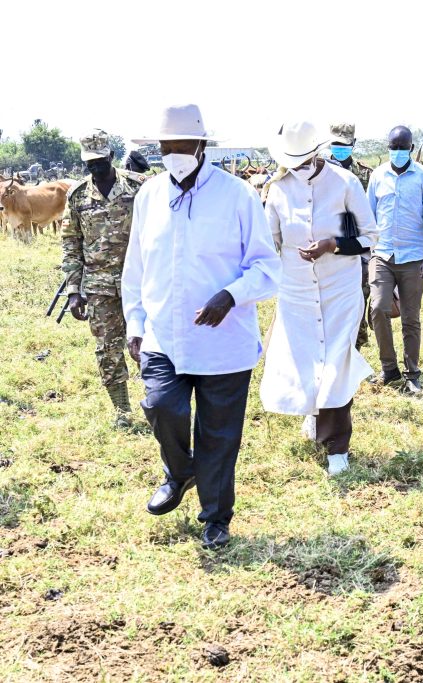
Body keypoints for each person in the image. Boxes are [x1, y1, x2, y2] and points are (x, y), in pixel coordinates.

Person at [122, 104, 280, 550]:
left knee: (218, 434)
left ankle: (216, 516)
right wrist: (135, 322)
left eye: (181, 146)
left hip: (222, 342)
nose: (172, 154)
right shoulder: (149, 196)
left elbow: (268, 267)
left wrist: (230, 295)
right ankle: (180, 470)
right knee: (160, 406)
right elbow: (135, 268)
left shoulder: (238, 196)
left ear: (201, 146)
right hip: (163, 336)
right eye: (164, 147)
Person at [260, 121, 378, 476]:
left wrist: (333, 245)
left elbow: (369, 236)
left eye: (304, 160)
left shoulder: (344, 184)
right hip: (296, 291)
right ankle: (314, 415)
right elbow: (269, 243)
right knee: (307, 361)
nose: (299, 167)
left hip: (339, 289)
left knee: (336, 362)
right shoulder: (277, 190)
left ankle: (337, 447)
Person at [61, 129, 144, 427]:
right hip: (98, 287)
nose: (95, 167)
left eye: (99, 161)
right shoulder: (78, 195)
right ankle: (122, 410)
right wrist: (73, 290)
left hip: (141, 284)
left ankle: (156, 400)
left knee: (149, 344)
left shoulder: (138, 188)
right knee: (107, 349)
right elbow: (71, 243)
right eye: (89, 163)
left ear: (110, 155)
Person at [366, 125, 423, 394]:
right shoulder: (377, 175)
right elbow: (369, 217)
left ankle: (412, 374)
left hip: (414, 257)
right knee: (378, 309)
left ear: (411, 148)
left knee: (410, 317)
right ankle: (389, 368)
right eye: (392, 147)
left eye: (402, 147)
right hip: (382, 254)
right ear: (388, 147)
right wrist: (367, 252)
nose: (397, 152)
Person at [327, 123, 373, 351]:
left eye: (345, 145)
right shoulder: (319, 171)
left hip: (358, 249)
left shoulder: (365, 174)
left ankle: (354, 354)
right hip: (326, 249)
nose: (340, 148)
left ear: (353, 144)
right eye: (336, 144)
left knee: (357, 302)